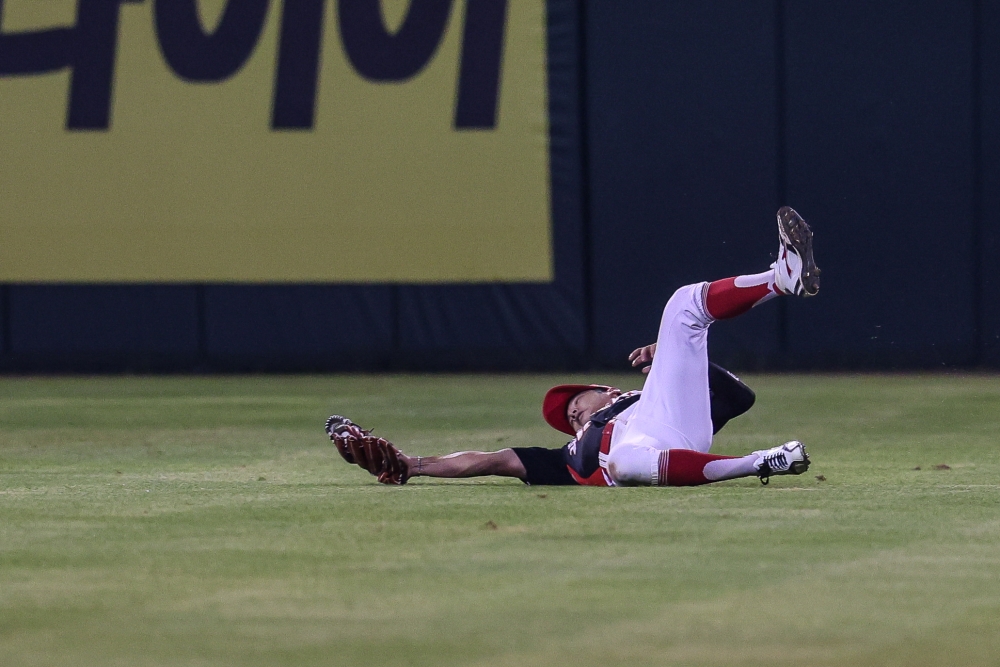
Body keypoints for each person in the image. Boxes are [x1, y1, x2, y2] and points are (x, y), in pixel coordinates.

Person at [327, 207, 820, 487]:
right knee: (624, 462)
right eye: (569, 419)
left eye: (575, 405)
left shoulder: (642, 396)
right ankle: (762, 461)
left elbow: (739, 399)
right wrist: (413, 464)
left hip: (672, 424)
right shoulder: (564, 457)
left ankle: (782, 277)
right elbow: (490, 459)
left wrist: (675, 357)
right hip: (641, 456)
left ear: (604, 391)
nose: (573, 417)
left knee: (681, 306)